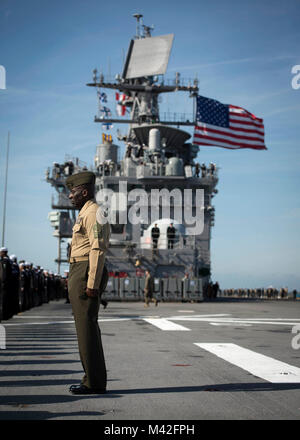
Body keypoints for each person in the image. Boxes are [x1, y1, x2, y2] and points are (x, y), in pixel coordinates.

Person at [66, 171, 110, 395]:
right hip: (79, 270)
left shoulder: (94, 212)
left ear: (84, 192)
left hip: (85, 272)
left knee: (86, 329)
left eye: (72, 192)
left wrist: (91, 282)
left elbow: (98, 248)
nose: (69, 196)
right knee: (84, 328)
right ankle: (92, 379)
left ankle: (93, 383)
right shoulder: (86, 212)